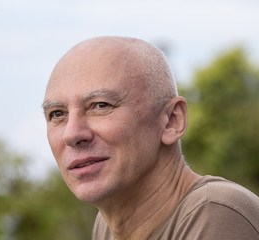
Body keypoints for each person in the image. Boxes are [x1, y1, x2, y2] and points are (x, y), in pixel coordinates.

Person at [42, 36, 259, 240]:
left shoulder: (217, 215)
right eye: (57, 114)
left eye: (101, 105)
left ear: (172, 120)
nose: (72, 134)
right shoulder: (107, 227)